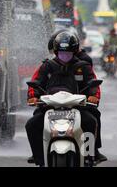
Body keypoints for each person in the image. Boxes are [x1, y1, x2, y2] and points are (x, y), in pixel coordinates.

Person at [26, 31, 106, 166]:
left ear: (74, 52)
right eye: (62, 53)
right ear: (56, 52)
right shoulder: (46, 66)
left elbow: (93, 84)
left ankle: (90, 155)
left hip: (78, 107)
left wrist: (93, 97)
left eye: (68, 53)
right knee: (31, 125)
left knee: (92, 121)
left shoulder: (83, 66)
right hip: (49, 107)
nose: (65, 56)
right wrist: (32, 97)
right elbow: (35, 83)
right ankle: (39, 157)